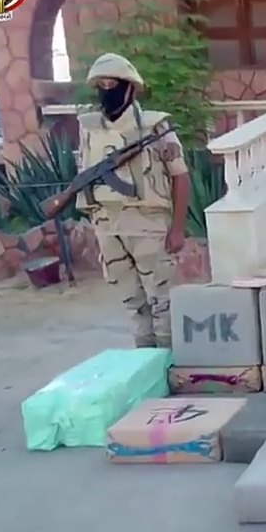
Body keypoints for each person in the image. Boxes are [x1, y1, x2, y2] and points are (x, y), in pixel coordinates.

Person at [77, 53, 190, 348]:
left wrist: (178, 228)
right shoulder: (89, 128)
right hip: (107, 224)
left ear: (129, 88)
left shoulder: (155, 126)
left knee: (162, 299)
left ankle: (167, 360)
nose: (107, 91)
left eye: (112, 85)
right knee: (131, 300)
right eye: (101, 86)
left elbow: (181, 177)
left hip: (148, 223)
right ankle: (143, 359)